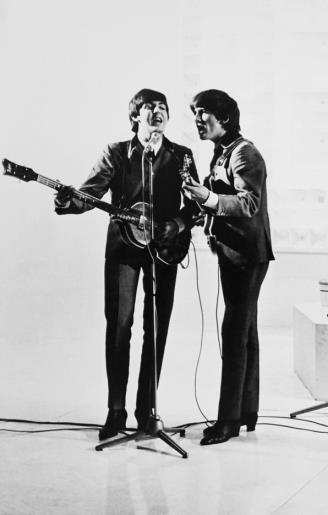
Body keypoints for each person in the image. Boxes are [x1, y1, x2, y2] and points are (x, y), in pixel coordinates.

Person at [54, 88, 199, 440]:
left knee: (157, 329)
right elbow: (89, 194)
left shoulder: (182, 156)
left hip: (165, 250)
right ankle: (116, 411)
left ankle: (147, 410)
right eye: (150, 107)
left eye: (163, 107)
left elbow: (194, 206)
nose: (158, 112)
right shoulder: (116, 153)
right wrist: (67, 201)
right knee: (119, 327)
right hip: (123, 250)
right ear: (135, 115)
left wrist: (176, 225)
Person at [181, 89, 274, 446]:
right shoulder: (223, 151)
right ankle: (246, 413)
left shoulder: (244, 153)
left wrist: (207, 197)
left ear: (224, 117)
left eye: (203, 112)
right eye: (195, 113)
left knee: (234, 334)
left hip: (246, 256)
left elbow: (249, 204)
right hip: (236, 254)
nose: (197, 119)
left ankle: (228, 421)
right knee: (245, 333)